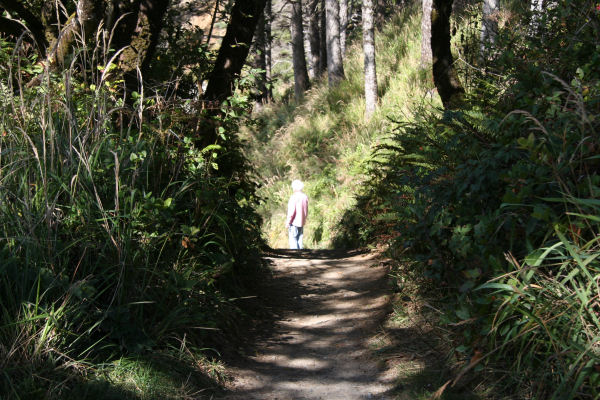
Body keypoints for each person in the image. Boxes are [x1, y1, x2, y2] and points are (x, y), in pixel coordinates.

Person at [286, 179, 308, 249]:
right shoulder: (305, 197)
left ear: (295, 188)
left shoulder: (293, 197)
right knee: (300, 240)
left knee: (293, 241)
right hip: (302, 222)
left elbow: (291, 212)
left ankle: (295, 257)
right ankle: (301, 256)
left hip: (294, 222)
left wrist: (288, 222)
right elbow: (306, 210)